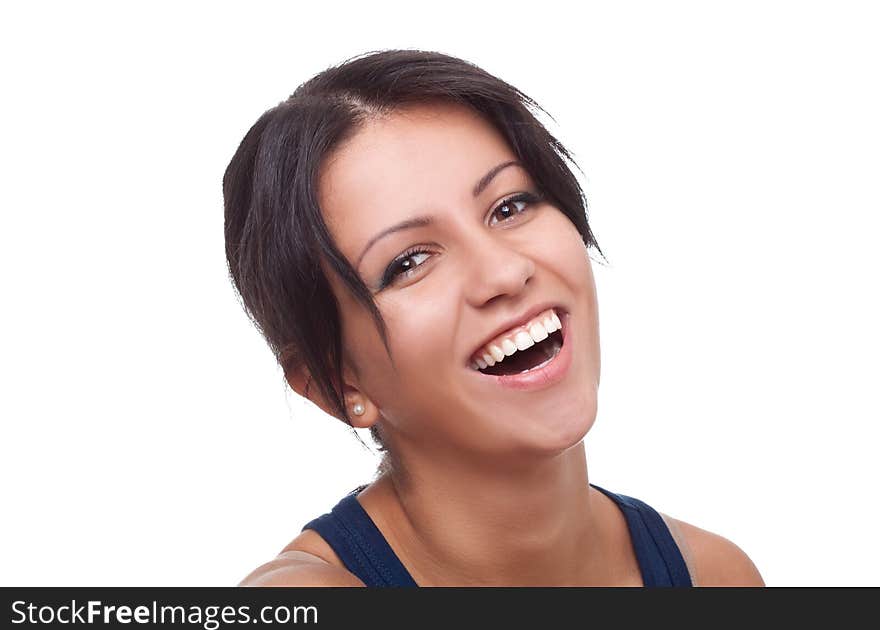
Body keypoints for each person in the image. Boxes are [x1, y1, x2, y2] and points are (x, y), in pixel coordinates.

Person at [224, 49, 765, 587]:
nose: (504, 272)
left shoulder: (717, 575)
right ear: (334, 384)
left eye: (509, 206)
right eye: (409, 262)